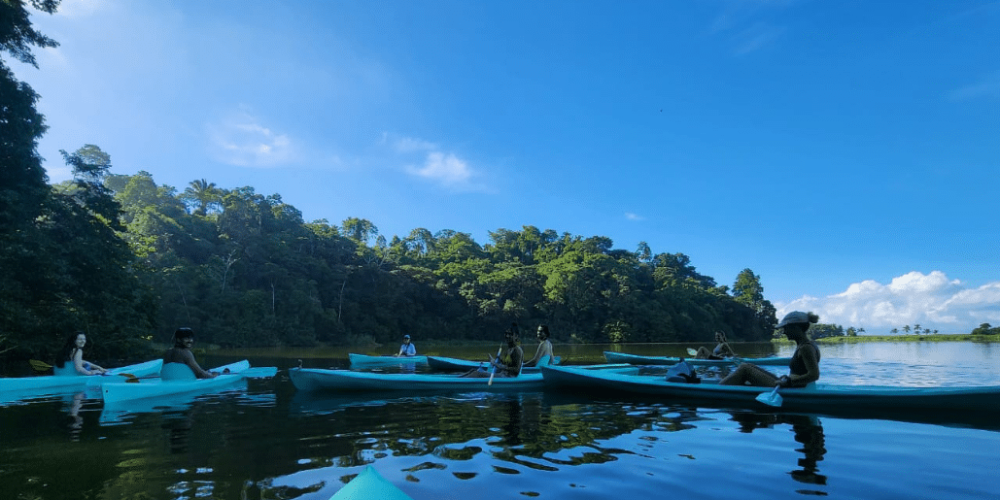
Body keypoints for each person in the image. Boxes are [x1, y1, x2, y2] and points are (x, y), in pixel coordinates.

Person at [719, 311, 821, 388]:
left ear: (796, 328)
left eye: (786, 328)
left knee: (745, 369)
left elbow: (814, 375)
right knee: (746, 365)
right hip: (791, 385)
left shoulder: (806, 348)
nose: (784, 332)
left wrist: (789, 382)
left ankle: (718, 390)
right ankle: (725, 386)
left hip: (792, 388)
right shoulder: (805, 345)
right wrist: (787, 379)